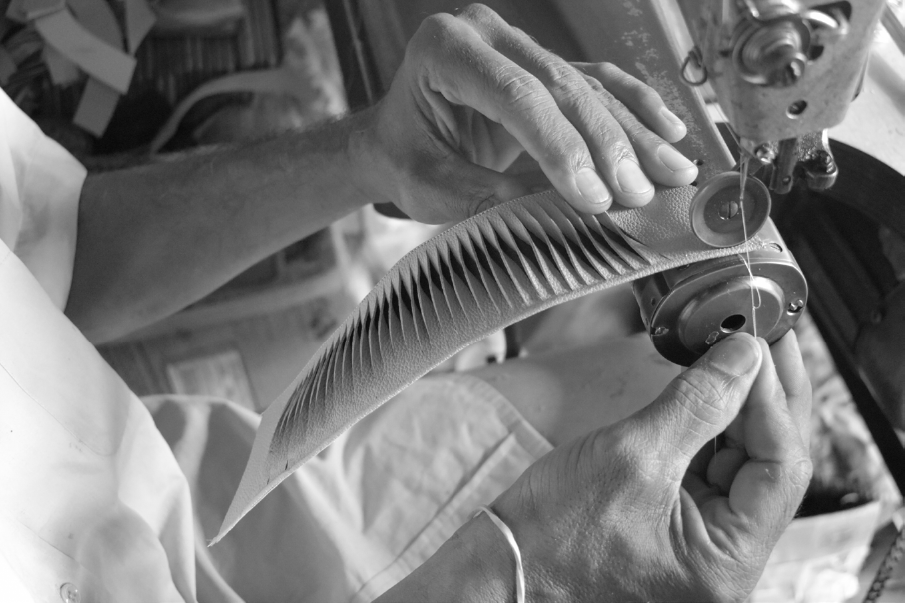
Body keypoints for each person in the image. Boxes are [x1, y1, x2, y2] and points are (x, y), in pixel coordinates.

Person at [0, 4, 811, 602]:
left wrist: (368, 151)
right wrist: (522, 582)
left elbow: (49, 239)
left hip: (186, 494)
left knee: (653, 390)